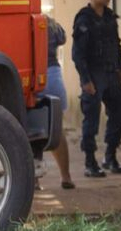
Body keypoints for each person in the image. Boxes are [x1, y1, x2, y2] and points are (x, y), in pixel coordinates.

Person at [72, 0, 121, 178]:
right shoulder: (84, 19)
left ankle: (110, 156)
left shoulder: (110, 17)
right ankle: (90, 161)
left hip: (111, 73)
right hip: (94, 74)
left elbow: (116, 44)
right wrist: (86, 80)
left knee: (118, 114)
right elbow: (78, 54)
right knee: (91, 119)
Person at [36, 16, 75, 190]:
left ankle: (33, 181)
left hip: (30, 76)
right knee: (57, 130)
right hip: (53, 76)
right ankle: (66, 177)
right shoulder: (49, 23)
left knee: (28, 133)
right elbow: (63, 38)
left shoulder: (21, 22)